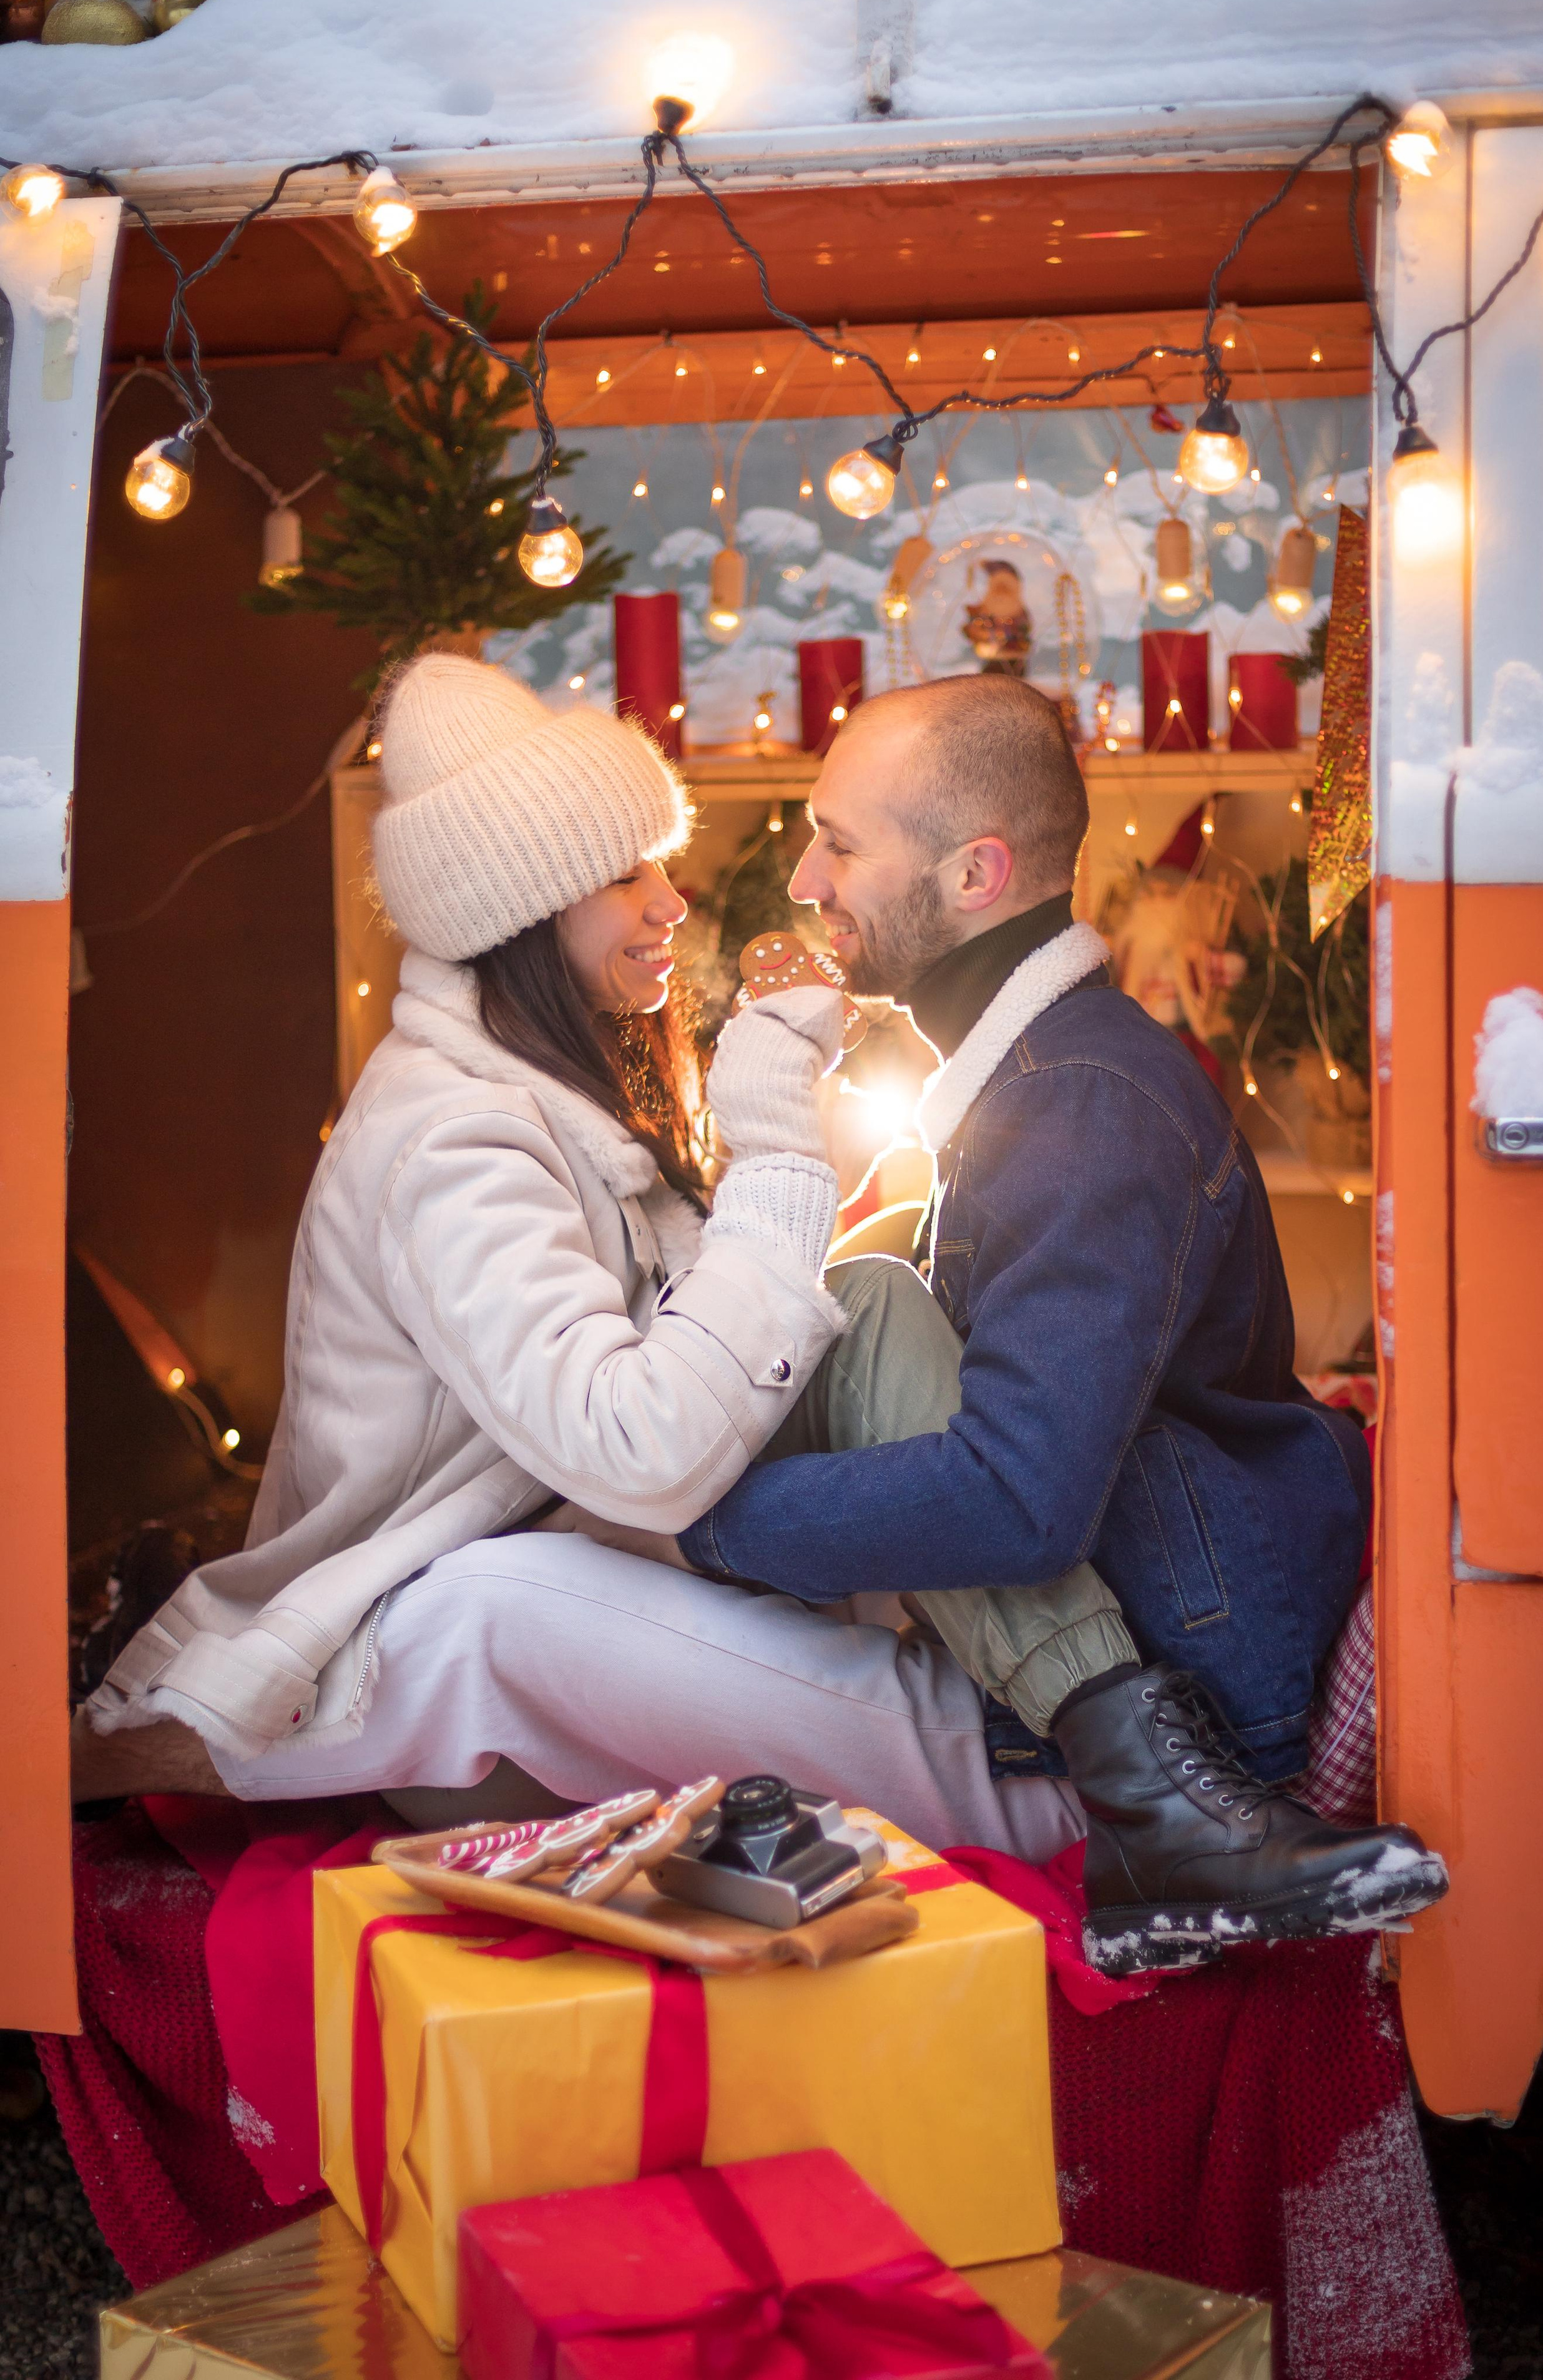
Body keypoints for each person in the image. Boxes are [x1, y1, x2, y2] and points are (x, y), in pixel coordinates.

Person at [70, 652, 1112, 1871]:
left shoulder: (562, 1091)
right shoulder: (455, 1142)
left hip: (594, 1562)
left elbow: (691, 1370)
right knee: (488, 1607)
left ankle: (1096, 1712)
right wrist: (775, 1144)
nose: (670, 903)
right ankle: (1056, 1806)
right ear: (524, 912)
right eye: (625, 875)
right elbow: (641, 1455)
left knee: (864, 1300)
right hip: (454, 1659)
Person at [659, 673, 1447, 1974]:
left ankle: (1164, 1821)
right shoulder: (1032, 1077)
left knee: (837, 1333)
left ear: (975, 875)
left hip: (1207, 1685)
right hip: (1160, 1612)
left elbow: (1018, 1502)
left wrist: (703, 1521)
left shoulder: (1076, 1106)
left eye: (840, 844)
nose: (804, 881)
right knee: (858, 1298)